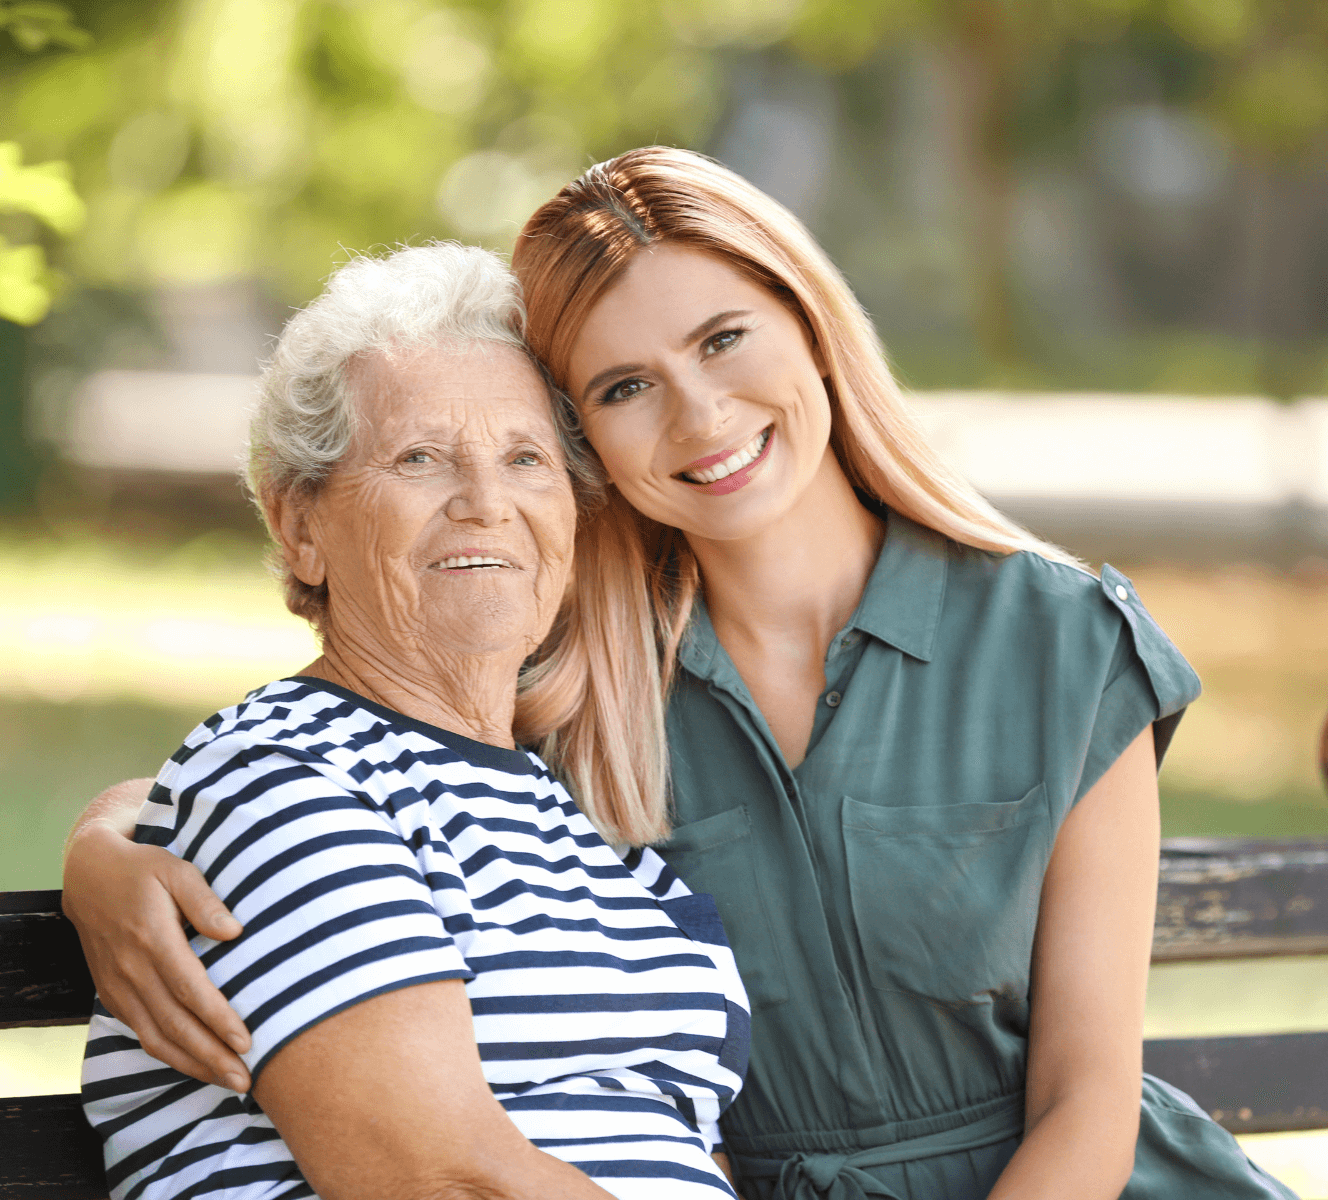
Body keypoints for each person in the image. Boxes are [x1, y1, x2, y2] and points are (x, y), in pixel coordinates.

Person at [64, 149, 1296, 1200]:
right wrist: (105, 853)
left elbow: (1086, 1099)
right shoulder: (562, 675)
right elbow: (313, 774)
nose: (700, 416)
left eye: (722, 339)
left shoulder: (1058, 639)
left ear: (810, 323)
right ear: (586, 438)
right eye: (622, 388)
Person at [71, 242, 749, 1200]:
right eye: (420, 459)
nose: (486, 505)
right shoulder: (285, 782)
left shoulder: (576, 821)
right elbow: (434, 1176)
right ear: (300, 526)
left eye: (526, 460)